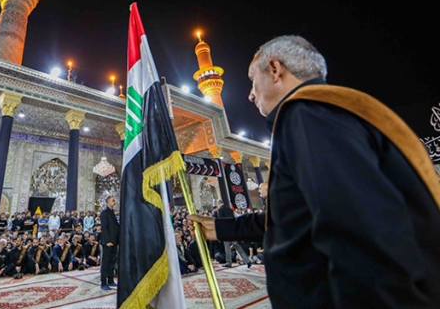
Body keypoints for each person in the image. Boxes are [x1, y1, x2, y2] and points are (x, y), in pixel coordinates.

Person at [189, 35, 440, 308]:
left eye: (253, 80)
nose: (250, 94)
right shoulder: (329, 114)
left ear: (275, 69)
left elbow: (358, 234)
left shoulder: (307, 116)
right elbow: (296, 218)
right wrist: (223, 227)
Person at [99, 195, 119, 290]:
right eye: (112, 200)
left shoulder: (112, 213)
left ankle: (110, 280)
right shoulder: (104, 213)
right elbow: (104, 228)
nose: (114, 202)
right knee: (106, 262)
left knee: (112, 261)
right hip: (108, 242)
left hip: (114, 241)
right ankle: (104, 282)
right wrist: (107, 241)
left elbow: (115, 227)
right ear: (108, 202)